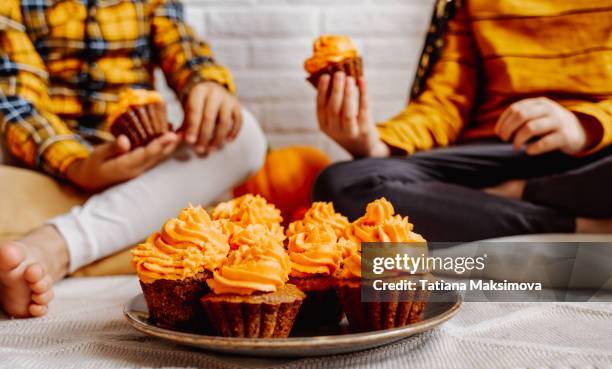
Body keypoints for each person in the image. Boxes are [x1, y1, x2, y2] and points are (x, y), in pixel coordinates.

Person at [0, 0, 267, 318]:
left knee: (244, 137)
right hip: (47, 167)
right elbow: (18, 101)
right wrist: (78, 165)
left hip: (139, 167)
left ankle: (52, 247)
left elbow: (183, 48)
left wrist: (206, 85)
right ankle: (127, 230)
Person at [313, 0, 612, 242]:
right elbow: (445, 101)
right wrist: (375, 144)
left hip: (596, 156)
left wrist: (585, 127)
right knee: (344, 183)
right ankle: (577, 226)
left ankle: (505, 198)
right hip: (493, 155)